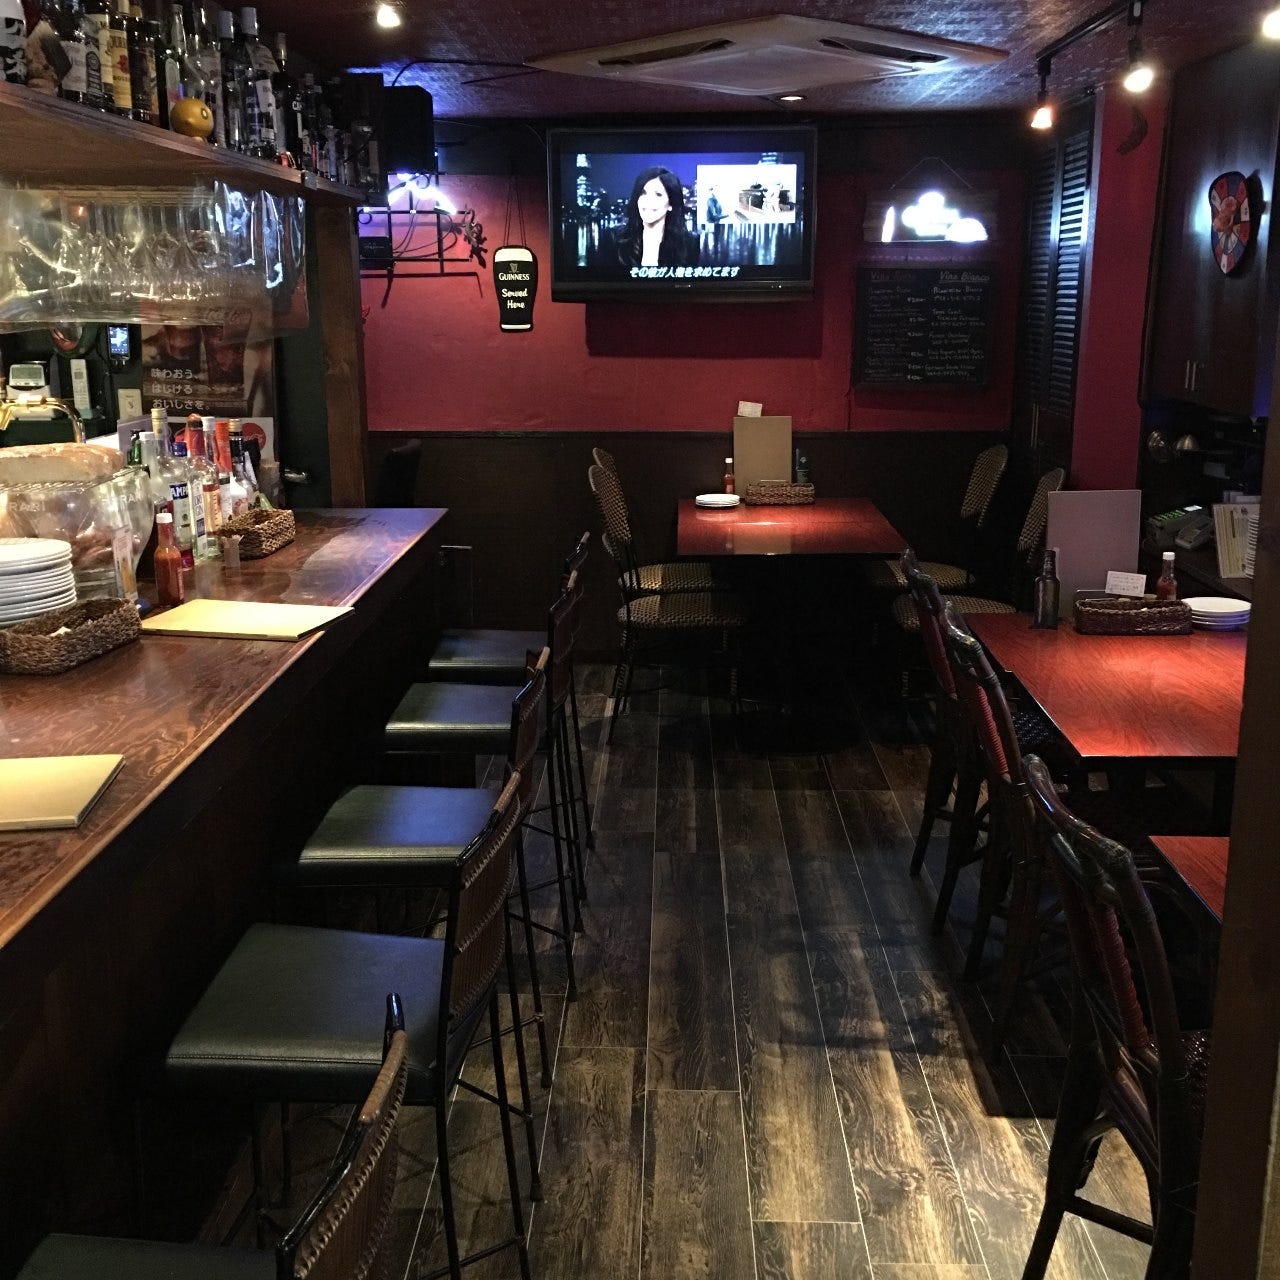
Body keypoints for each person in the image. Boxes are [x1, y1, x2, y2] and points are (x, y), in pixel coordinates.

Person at [614, 166, 699, 270]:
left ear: (671, 204)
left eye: (658, 194)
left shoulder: (689, 243)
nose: (648, 201)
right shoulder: (616, 239)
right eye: (643, 193)